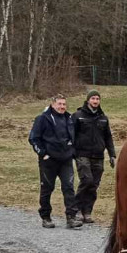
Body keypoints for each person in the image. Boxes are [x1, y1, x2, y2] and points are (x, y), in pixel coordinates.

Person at [28, 94, 81, 229]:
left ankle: (71, 217)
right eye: (59, 104)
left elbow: (73, 137)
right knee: (47, 188)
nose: (62, 107)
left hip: (66, 160)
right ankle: (46, 217)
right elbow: (33, 138)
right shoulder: (42, 119)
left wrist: (72, 152)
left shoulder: (69, 118)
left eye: (64, 104)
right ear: (53, 104)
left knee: (68, 187)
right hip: (48, 161)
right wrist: (43, 153)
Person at [72, 90, 116, 224]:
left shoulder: (103, 118)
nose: (95, 101)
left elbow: (108, 137)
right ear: (88, 100)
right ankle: (77, 210)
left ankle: (87, 212)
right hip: (82, 154)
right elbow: (71, 135)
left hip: (98, 156)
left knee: (94, 185)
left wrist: (112, 154)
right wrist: (72, 152)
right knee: (87, 180)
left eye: (97, 99)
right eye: (93, 98)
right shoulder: (78, 116)